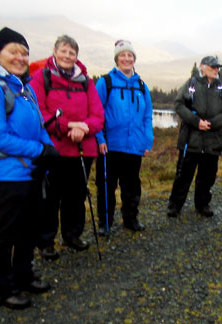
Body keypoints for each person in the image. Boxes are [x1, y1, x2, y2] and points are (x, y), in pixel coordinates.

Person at [0, 27, 55, 309]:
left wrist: (47, 147)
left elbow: (39, 125)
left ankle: (24, 275)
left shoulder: (26, 87)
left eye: (24, 52)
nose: (20, 57)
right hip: (8, 174)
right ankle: (4, 288)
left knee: (29, 228)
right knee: (6, 233)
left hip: (32, 171)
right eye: (13, 51)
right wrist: (38, 150)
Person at [30, 35, 104, 255]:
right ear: (54, 51)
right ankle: (46, 241)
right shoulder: (41, 77)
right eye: (63, 51)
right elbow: (38, 113)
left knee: (77, 195)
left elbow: (98, 116)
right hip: (53, 150)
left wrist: (84, 128)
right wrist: (68, 125)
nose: (67, 56)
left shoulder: (86, 81)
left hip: (83, 150)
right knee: (50, 197)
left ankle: (73, 235)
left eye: (72, 52)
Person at [95, 40, 154, 234]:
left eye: (130, 55)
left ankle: (131, 219)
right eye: (123, 55)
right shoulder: (105, 82)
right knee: (106, 186)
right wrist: (100, 139)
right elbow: (96, 113)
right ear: (117, 58)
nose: (127, 59)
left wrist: (148, 141)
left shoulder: (142, 86)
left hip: (134, 146)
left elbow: (147, 116)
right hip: (110, 145)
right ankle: (105, 223)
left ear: (134, 59)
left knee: (132, 187)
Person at [166, 56, 222, 218]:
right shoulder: (191, 84)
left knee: (208, 176)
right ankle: (175, 206)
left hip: (213, 140)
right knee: (183, 175)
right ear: (203, 67)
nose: (216, 70)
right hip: (191, 139)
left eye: (217, 67)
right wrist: (196, 122)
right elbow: (178, 105)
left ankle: (203, 204)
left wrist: (212, 123)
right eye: (212, 67)